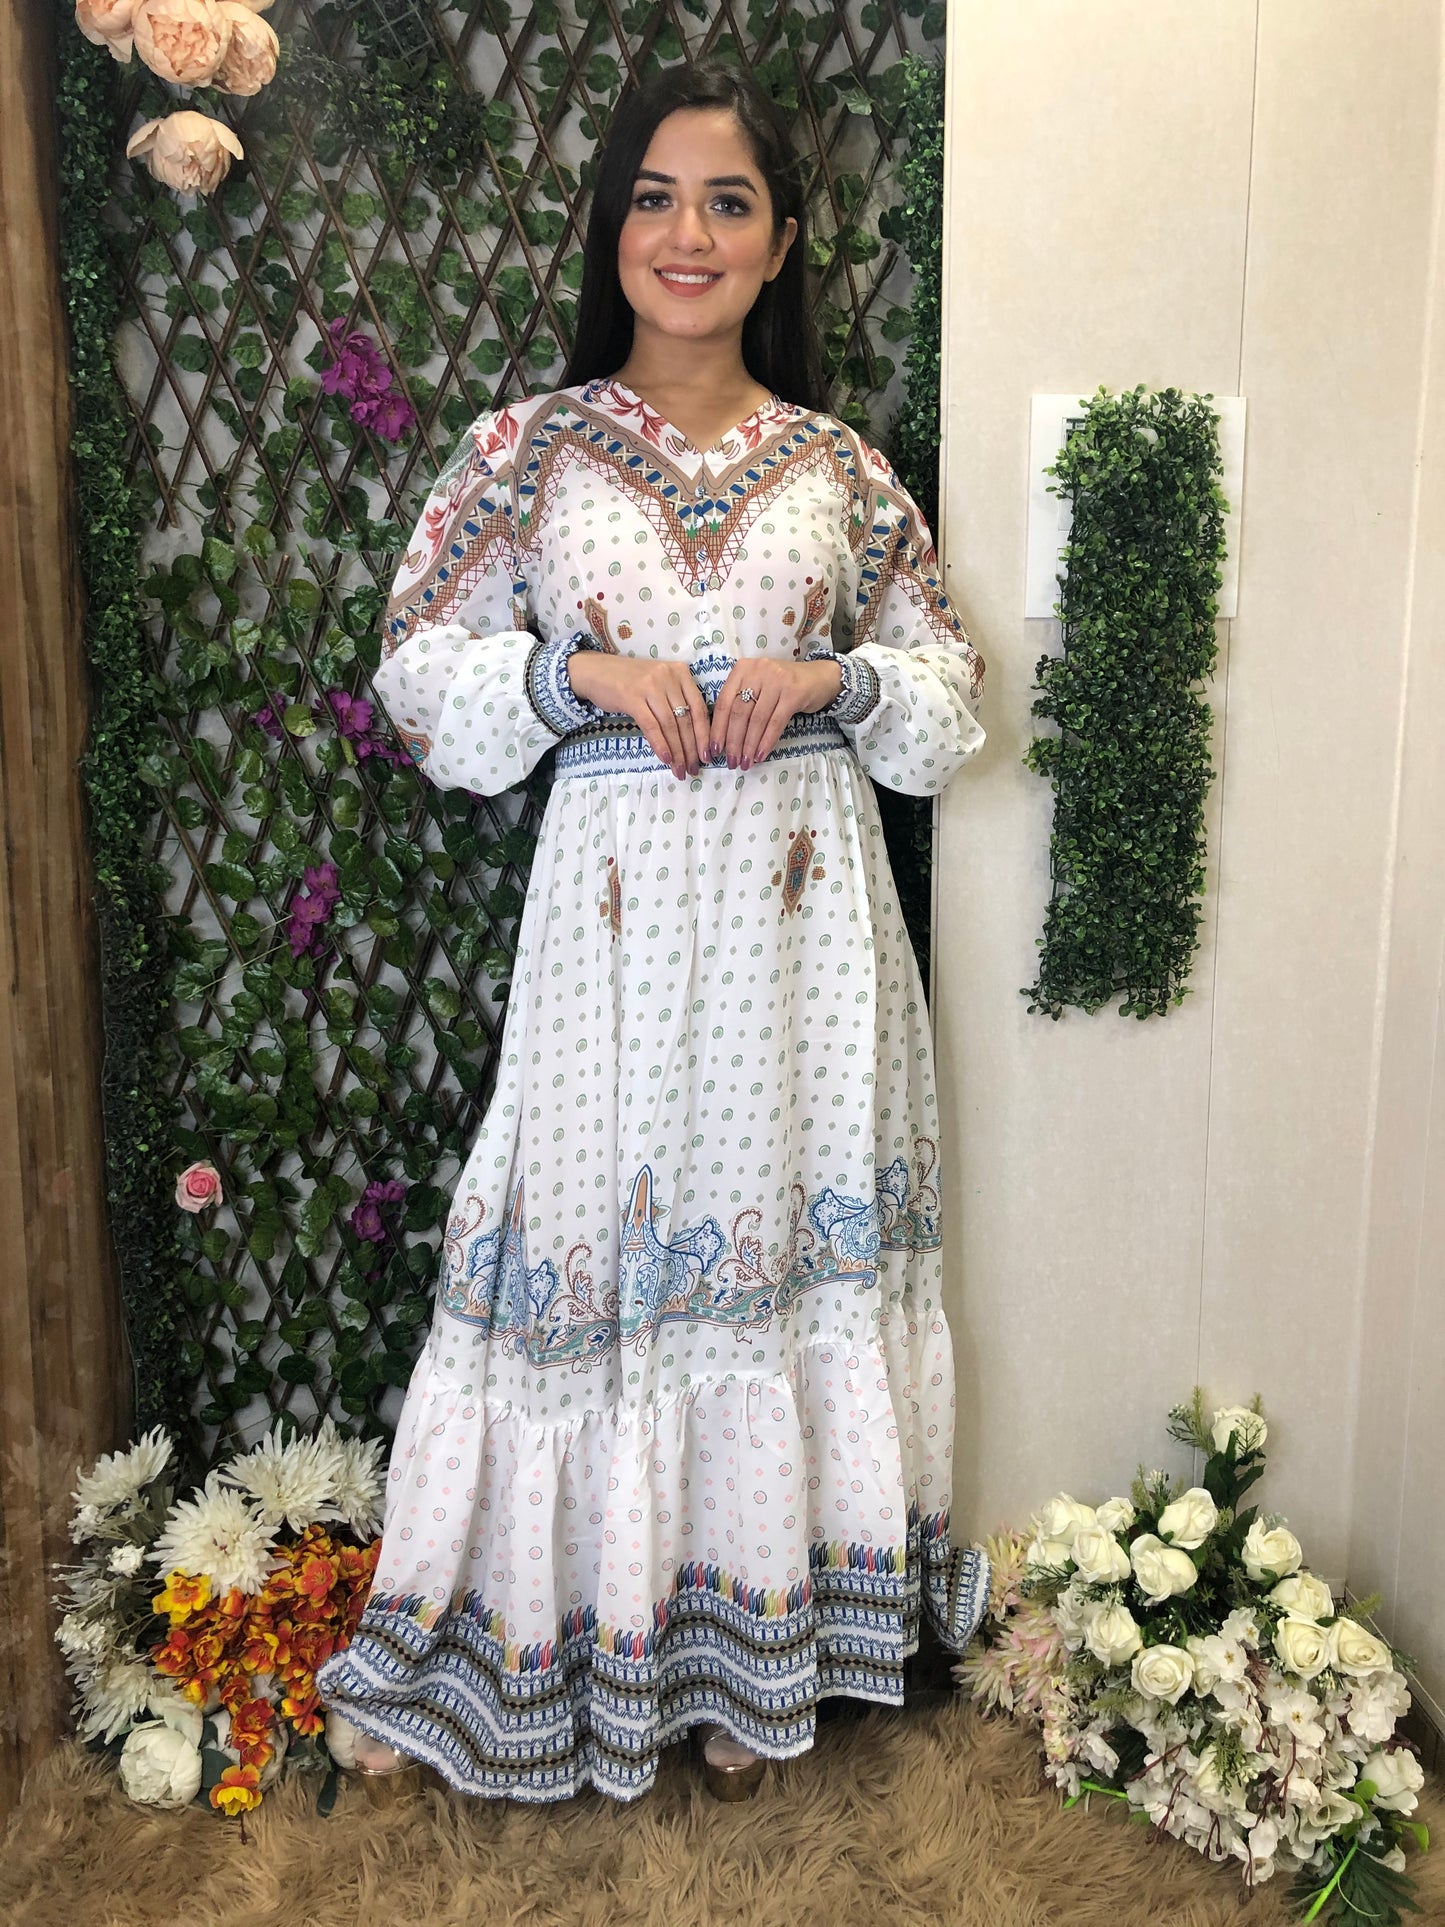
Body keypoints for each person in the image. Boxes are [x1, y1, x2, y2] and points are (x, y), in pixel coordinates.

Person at [316, 54, 990, 1805]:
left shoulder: (843, 472)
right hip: (610, 930)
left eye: (730, 203)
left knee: (770, 1249)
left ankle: (749, 1654)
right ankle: (558, 1641)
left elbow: (945, 694)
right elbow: (418, 670)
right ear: (612, 226)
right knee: (595, 1258)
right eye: (655, 197)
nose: (688, 234)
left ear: (779, 248)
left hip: (800, 927)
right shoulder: (522, 454)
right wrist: (573, 671)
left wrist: (827, 673)